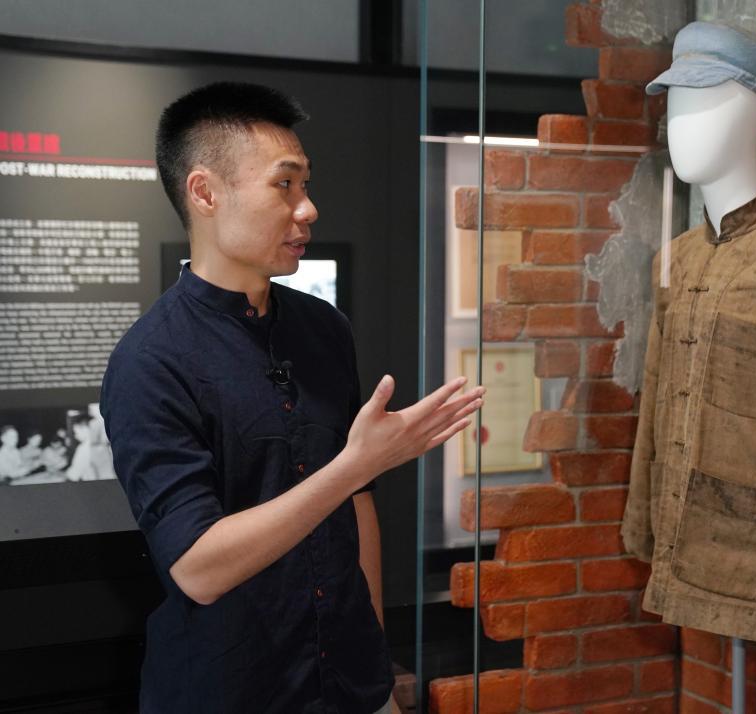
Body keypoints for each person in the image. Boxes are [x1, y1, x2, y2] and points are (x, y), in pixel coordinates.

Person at [100, 82, 483, 714]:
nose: (308, 209)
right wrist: (355, 466)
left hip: (353, 685)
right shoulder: (150, 360)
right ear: (205, 193)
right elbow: (198, 568)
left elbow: (357, 505)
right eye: (284, 185)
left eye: (306, 185)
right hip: (231, 690)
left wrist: (374, 658)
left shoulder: (323, 327)